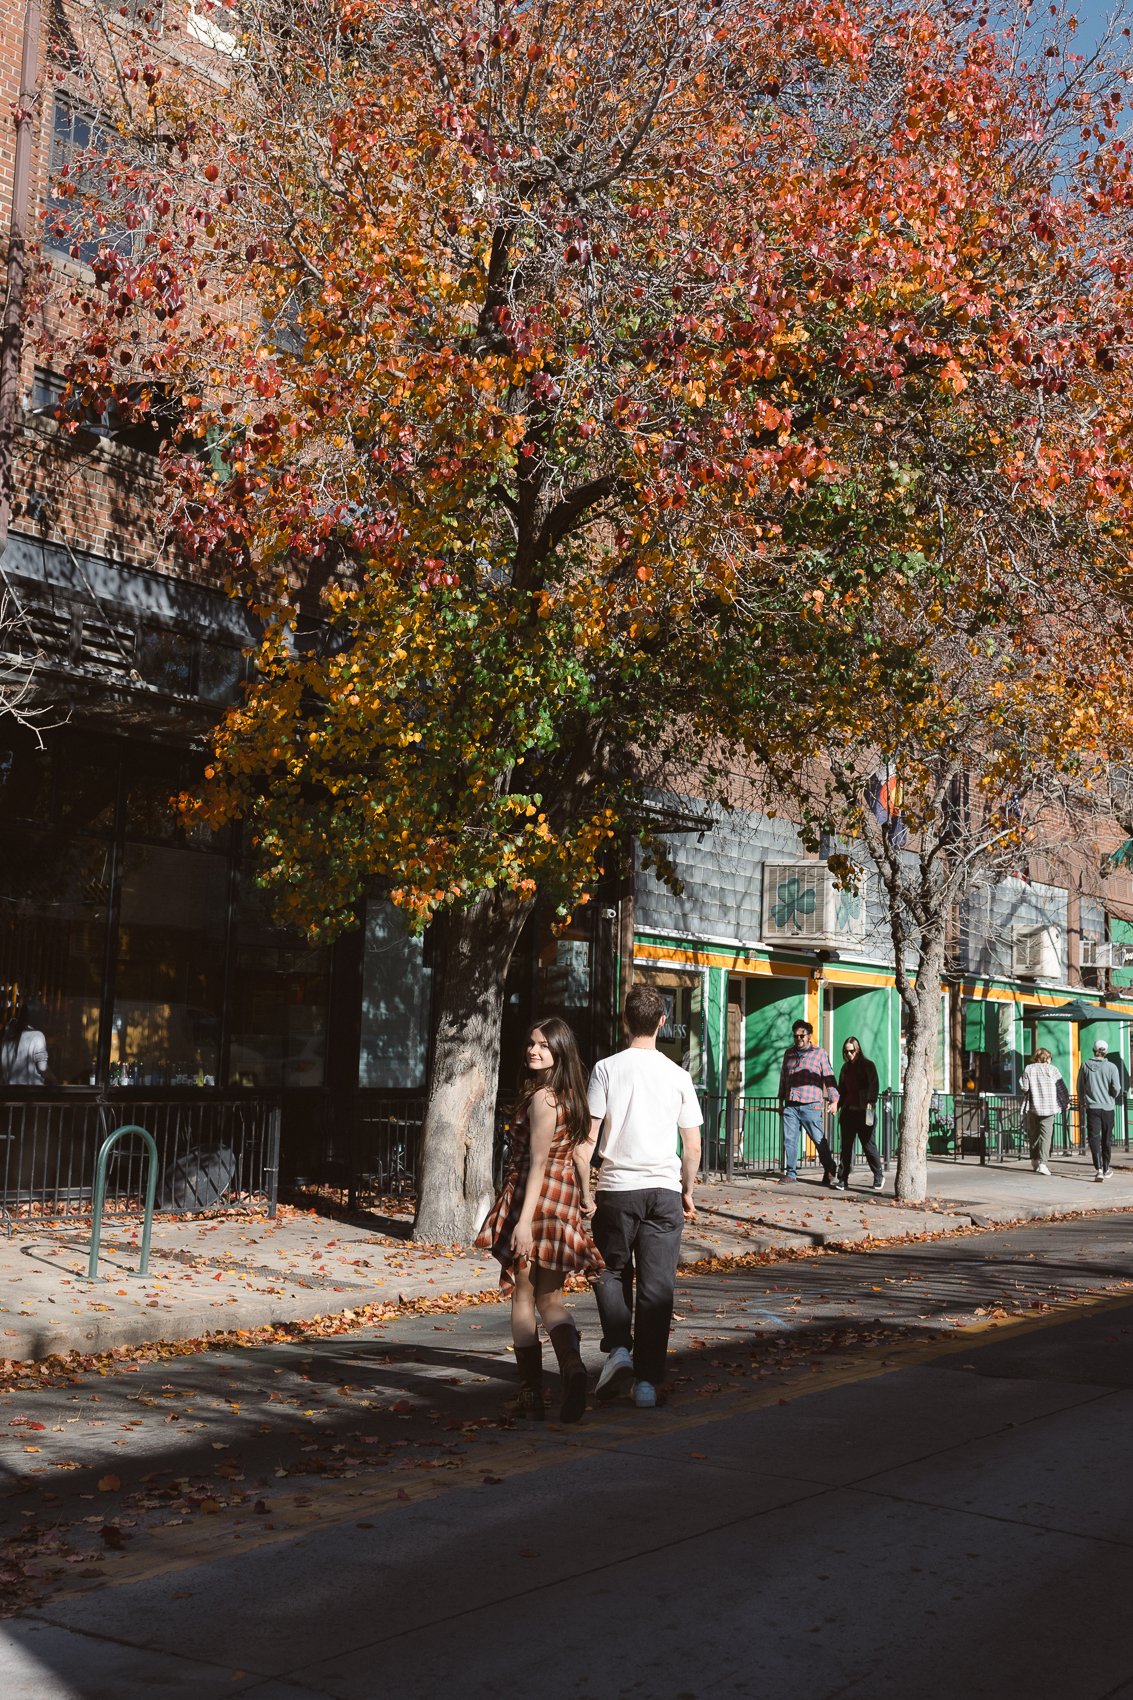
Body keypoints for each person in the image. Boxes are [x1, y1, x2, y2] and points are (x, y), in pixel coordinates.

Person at [475, 1017, 602, 1423]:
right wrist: (584, 1196)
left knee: (525, 1296)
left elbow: (538, 1165)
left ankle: (531, 1393)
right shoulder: (571, 1097)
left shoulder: (544, 1099)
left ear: (560, 1052)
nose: (534, 1050)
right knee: (551, 1298)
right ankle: (573, 1369)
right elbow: (579, 1155)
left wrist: (524, 1223)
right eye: (531, 1043)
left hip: (539, 1201)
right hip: (561, 1198)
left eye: (544, 1046)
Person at [587, 984, 703, 1411]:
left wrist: (585, 1191)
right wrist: (687, 1189)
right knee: (658, 1288)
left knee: (610, 1272)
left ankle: (618, 1350)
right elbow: (692, 1145)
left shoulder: (605, 1069)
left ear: (624, 1021)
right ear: (661, 1022)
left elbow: (588, 1138)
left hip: (617, 1188)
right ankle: (647, 1384)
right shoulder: (678, 1075)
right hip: (664, 1190)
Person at [778, 1019, 838, 1184]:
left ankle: (830, 1167)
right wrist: (780, 1101)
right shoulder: (788, 1054)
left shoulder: (819, 1053)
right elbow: (783, 1078)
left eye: (802, 1035)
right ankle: (791, 1174)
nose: (798, 1039)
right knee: (790, 1140)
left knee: (818, 1139)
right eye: (796, 1036)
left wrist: (834, 1100)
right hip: (791, 1104)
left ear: (809, 1036)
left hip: (811, 1104)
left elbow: (829, 1077)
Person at [832, 1036, 883, 1191]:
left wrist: (871, 1101)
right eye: (846, 1052)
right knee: (846, 1148)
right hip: (848, 1113)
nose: (849, 1055)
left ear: (858, 1049)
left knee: (868, 1146)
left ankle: (878, 1175)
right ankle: (842, 1179)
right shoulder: (845, 1068)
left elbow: (874, 1085)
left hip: (864, 1112)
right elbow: (841, 1090)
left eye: (852, 1051)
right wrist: (836, 1104)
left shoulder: (868, 1065)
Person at [1077, 1038, 1123, 1182]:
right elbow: (1117, 1088)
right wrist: (1111, 1096)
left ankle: (1098, 1169)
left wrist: (1082, 1101)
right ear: (1105, 1052)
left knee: (1094, 1138)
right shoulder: (1112, 1067)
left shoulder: (1085, 1065)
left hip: (1092, 1107)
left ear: (1093, 1050)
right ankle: (1106, 1167)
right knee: (1107, 1138)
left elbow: (1080, 1087)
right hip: (1108, 1107)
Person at [1019, 1047, 1069, 1175]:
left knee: (1034, 1136)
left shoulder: (1028, 1069)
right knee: (1046, 1137)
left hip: (1033, 1107)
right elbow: (1061, 1088)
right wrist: (1065, 1103)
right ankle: (1043, 1163)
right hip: (1049, 1107)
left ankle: (1034, 1160)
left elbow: (1024, 1088)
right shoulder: (1053, 1070)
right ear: (1047, 1058)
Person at [0, 1004, 49, 1087]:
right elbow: (42, 1068)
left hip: (9, 1089)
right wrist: (54, 1079)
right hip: (32, 1090)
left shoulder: (7, 1035)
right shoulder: (37, 1035)